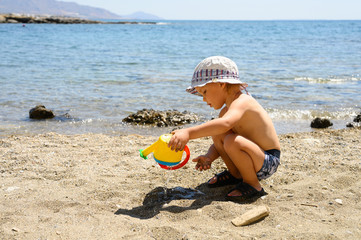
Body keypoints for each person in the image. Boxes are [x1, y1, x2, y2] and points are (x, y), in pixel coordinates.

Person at [168, 56, 281, 201]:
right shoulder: (226, 110)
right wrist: (209, 157)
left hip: (267, 160)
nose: (203, 99)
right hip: (252, 157)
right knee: (220, 134)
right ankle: (236, 175)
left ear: (221, 84)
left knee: (231, 139)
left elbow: (226, 124)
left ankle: (253, 184)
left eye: (204, 92)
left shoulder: (243, 101)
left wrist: (188, 133)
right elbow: (220, 136)